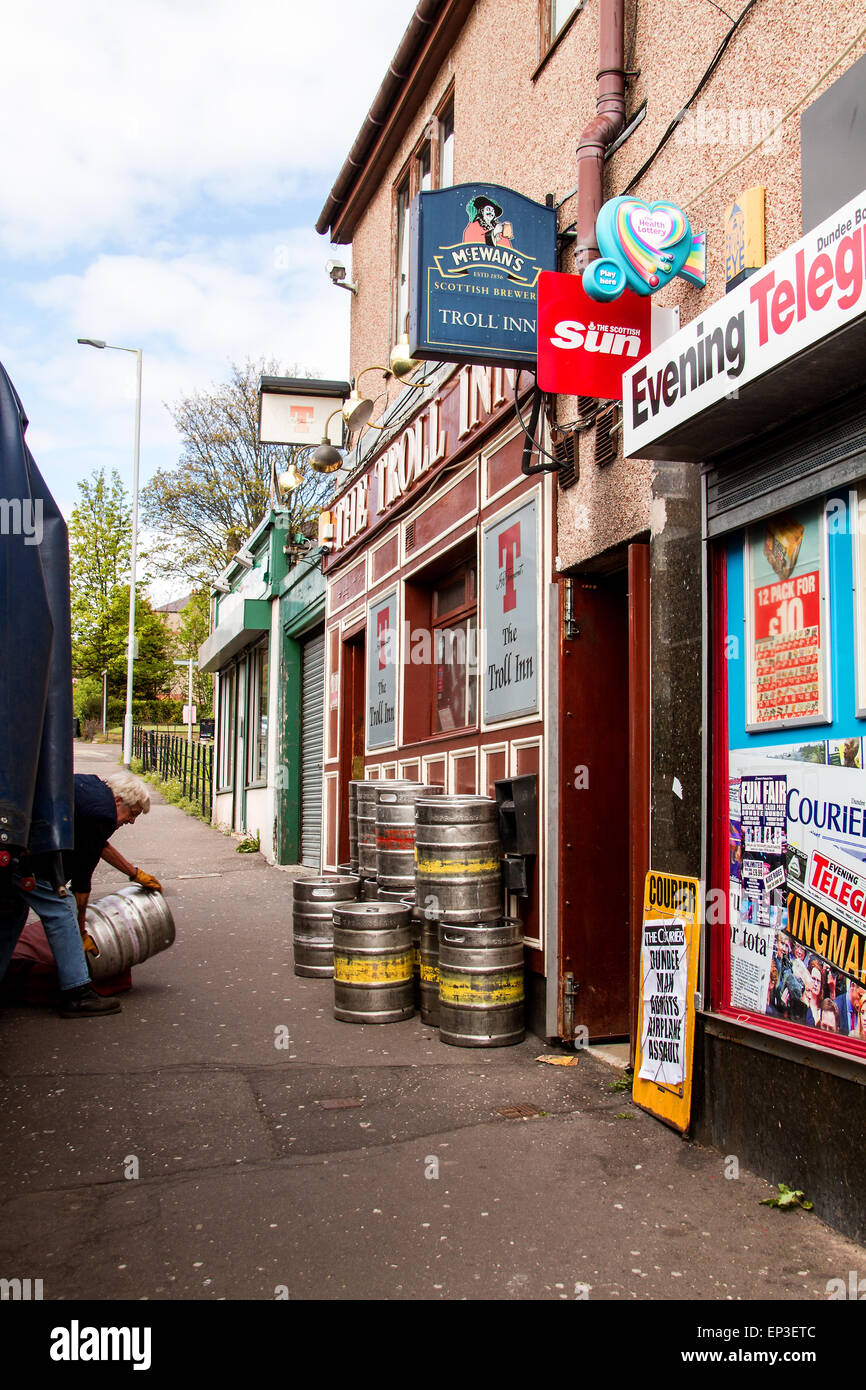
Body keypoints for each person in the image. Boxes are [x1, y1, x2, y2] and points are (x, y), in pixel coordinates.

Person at [0, 770, 161, 1017]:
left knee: (13, 914)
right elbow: (82, 882)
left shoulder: (93, 789)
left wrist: (134, 872)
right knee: (61, 910)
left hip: (12, 840)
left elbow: (97, 844)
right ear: (119, 801)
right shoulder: (102, 814)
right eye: (134, 813)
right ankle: (77, 993)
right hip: (26, 854)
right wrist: (81, 930)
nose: (132, 821)